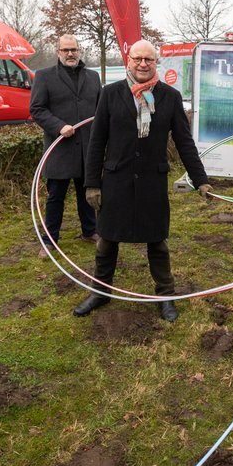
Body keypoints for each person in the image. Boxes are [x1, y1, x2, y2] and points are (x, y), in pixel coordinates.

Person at [71, 40, 212, 322]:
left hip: (152, 182)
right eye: (138, 59)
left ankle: (165, 295)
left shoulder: (170, 97)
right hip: (116, 180)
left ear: (155, 62)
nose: (143, 64)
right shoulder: (110, 94)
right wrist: (92, 184)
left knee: (157, 242)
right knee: (107, 241)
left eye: (149, 59)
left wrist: (201, 180)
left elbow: (184, 142)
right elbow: (97, 141)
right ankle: (100, 291)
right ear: (129, 60)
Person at [30, 34, 102, 256]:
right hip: (60, 148)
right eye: (65, 50)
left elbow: (100, 111)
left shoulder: (93, 77)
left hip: (87, 149)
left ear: (79, 51)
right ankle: (50, 239)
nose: (70, 54)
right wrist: (59, 126)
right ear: (58, 52)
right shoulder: (44, 77)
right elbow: (37, 109)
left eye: (74, 49)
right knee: (55, 197)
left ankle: (90, 231)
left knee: (86, 194)